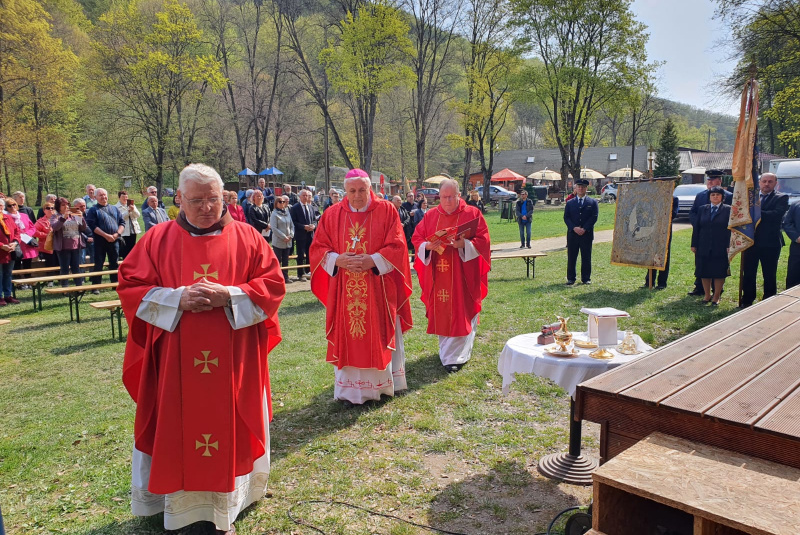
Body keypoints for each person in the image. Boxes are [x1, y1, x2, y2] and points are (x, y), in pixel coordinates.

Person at [118, 163, 285, 534]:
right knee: (176, 423)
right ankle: (180, 505)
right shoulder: (156, 239)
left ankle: (230, 500)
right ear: (179, 199)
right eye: (197, 200)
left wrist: (230, 295)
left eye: (213, 199)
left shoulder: (248, 237)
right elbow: (130, 287)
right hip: (173, 363)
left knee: (230, 421)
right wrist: (176, 299)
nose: (207, 207)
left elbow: (272, 286)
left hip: (234, 361)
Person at [309, 168, 413, 406]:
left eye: (362, 190)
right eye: (352, 190)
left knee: (377, 331)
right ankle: (349, 391)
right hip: (344, 288)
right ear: (345, 191)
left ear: (371, 189)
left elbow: (398, 246)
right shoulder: (332, 214)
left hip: (378, 287)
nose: (357, 195)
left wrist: (373, 260)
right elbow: (317, 248)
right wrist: (337, 259)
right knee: (349, 334)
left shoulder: (386, 211)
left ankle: (381, 387)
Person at [411, 179, 491, 373]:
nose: (447, 201)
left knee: (461, 309)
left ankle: (458, 355)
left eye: (451, 197)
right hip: (438, 275)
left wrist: (464, 245)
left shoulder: (472, 213)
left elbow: (484, 239)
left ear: (458, 195)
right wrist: (427, 246)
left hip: (463, 274)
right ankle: (446, 353)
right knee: (443, 311)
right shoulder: (431, 215)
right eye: (444, 197)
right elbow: (417, 238)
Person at [740, 172, 789, 308]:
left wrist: (754, 212)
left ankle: (769, 299)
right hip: (751, 242)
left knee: (769, 273)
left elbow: (776, 215)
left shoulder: (782, 198)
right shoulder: (751, 198)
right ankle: (747, 299)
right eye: (764, 181)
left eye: (770, 182)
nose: (767, 184)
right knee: (749, 272)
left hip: (770, 243)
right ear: (759, 183)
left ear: (775, 183)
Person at [688, 169, 733, 296]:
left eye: (713, 180)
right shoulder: (701, 195)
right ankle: (700, 288)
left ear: (720, 181)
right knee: (702, 263)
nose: (710, 182)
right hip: (703, 234)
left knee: (717, 264)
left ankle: (717, 291)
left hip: (719, 237)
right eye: (708, 180)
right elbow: (693, 212)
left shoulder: (728, 196)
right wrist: (698, 224)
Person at [85, 188, 125, 291]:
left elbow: (122, 223)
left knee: (114, 262)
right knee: (99, 263)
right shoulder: (93, 210)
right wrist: (106, 235)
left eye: (104, 195)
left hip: (114, 240)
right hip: (100, 241)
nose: (103, 197)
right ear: (95, 197)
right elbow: (92, 225)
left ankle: (115, 284)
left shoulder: (114, 209)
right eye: (100, 195)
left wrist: (117, 234)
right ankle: (96, 286)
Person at [563, 179, 599, 285]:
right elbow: (566, 217)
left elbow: (594, 217)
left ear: (586, 189)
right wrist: (574, 228)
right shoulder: (570, 203)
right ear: (575, 188)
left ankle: (586, 278)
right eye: (578, 187)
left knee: (586, 257)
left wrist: (584, 228)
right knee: (572, 257)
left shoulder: (592, 202)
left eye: (582, 187)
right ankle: (571, 278)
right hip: (573, 234)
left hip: (586, 234)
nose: (580, 189)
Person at [643, 195, 679, 289]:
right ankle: (649, 281)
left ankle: (662, 283)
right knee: (651, 254)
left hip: (664, 230)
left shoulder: (673, 199)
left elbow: (674, 214)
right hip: (652, 229)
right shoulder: (653, 198)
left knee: (664, 255)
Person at [51, 197, 87, 286]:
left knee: (76, 268)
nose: (66, 206)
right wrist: (63, 218)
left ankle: (79, 287)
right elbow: (55, 227)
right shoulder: (55, 216)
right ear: (58, 206)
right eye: (63, 205)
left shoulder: (74, 215)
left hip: (76, 245)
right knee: (65, 269)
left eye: (67, 204)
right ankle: (65, 288)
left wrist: (81, 218)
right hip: (63, 247)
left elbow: (83, 228)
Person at [290, 189, 319, 281]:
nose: (305, 197)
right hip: (300, 235)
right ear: (299, 197)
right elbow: (293, 222)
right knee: (300, 255)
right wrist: (303, 227)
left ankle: (308, 271)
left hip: (310, 235)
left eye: (307, 196)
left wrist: (313, 225)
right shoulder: (295, 208)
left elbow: (314, 220)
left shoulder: (310, 207)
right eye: (303, 195)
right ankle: (300, 273)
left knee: (310, 254)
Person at [4, 196, 37, 275]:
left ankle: (28, 281)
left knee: (27, 264)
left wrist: (27, 234)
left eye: (14, 205)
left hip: (26, 242)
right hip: (16, 243)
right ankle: (18, 283)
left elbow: (33, 227)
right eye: (9, 205)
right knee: (16, 264)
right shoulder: (6, 218)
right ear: (6, 208)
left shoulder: (23, 215)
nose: (12, 207)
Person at [0, 198, 21, 306]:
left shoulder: (7, 218)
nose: (0, 208)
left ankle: (7, 295)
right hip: (1, 251)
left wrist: (15, 243)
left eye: (1, 206)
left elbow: (17, 231)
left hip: (10, 251)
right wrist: (1, 246)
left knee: (8, 274)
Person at [270, 195, 295, 283]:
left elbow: (292, 225)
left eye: (283, 202)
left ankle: (286, 277)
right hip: (278, 241)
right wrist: (284, 237)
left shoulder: (287, 212)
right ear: (276, 204)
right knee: (278, 260)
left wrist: (291, 235)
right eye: (280, 202)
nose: (282, 203)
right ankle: (277, 277)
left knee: (285, 260)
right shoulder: (274, 214)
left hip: (288, 241)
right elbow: (274, 228)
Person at [115, 191, 141, 259]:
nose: (125, 199)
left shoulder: (132, 205)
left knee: (132, 247)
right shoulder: (116, 207)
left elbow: (138, 215)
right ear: (119, 197)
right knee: (124, 247)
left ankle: (132, 261)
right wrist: (128, 211)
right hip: (124, 230)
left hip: (133, 229)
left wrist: (133, 210)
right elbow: (120, 217)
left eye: (126, 197)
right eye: (123, 197)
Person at [33, 202, 59, 269]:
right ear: (44, 210)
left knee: (59, 265)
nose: (50, 210)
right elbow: (34, 232)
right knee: (50, 266)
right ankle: (50, 279)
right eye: (48, 208)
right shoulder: (40, 221)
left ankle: (61, 279)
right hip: (47, 248)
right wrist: (47, 235)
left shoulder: (59, 219)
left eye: (52, 208)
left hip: (59, 246)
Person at [783, 201, 800, 290]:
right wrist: (797, 237)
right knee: (793, 279)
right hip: (797, 249)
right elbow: (787, 223)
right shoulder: (795, 205)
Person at [73, 198, 92, 264]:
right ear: (75, 207)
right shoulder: (73, 216)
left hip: (92, 239)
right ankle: (81, 273)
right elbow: (76, 229)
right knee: (81, 259)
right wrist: (86, 238)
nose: (83, 208)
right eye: (81, 206)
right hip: (80, 240)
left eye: (84, 205)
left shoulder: (90, 213)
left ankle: (94, 274)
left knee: (94, 259)